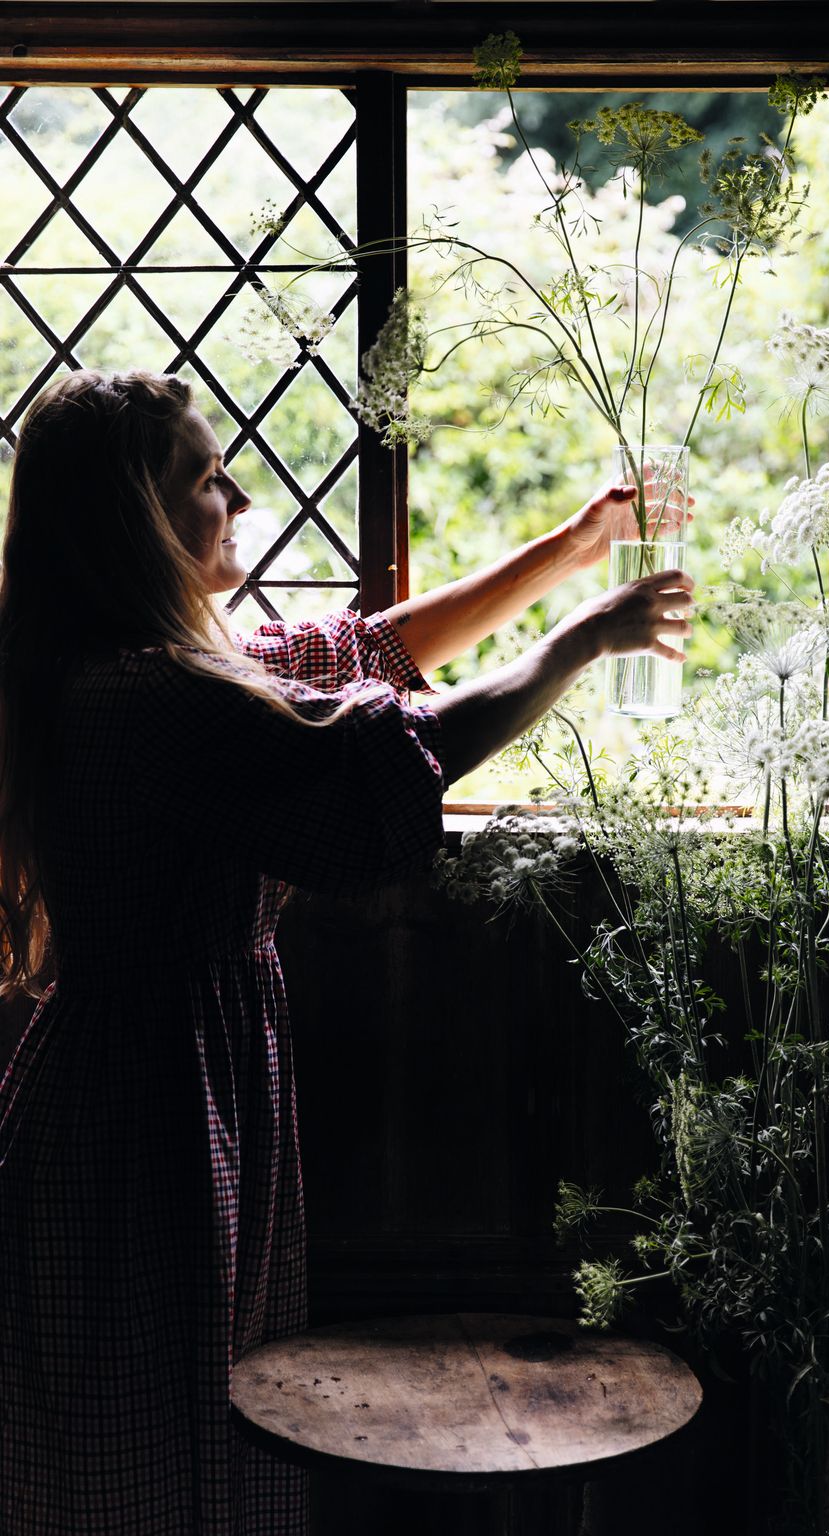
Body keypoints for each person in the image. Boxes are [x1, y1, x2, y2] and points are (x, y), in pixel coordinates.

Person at [0, 369, 691, 1535]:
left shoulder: (162, 670)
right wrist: (576, 647)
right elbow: (384, 749)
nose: (235, 497)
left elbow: (367, 654)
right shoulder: (141, 695)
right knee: (149, 1447)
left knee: (187, 1428)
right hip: (142, 1109)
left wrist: (572, 551)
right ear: (137, 517)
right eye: (204, 478)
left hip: (179, 1081)